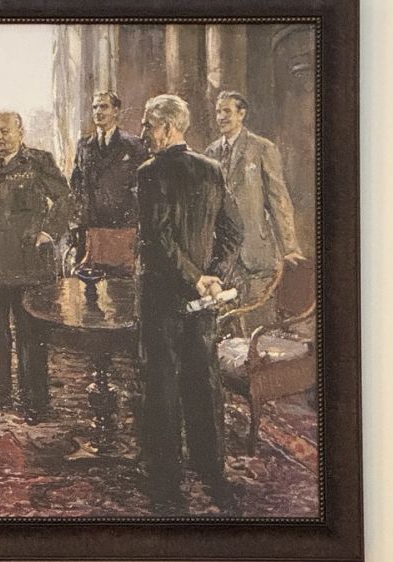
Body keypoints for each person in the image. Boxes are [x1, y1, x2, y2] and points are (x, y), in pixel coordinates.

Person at [136, 94, 243, 511]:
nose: (144, 133)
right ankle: (210, 467)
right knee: (203, 377)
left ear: (167, 128)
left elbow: (158, 240)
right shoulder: (211, 169)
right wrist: (211, 277)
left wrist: (196, 279)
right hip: (203, 299)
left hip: (162, 295)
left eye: (148, 125)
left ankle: (165, 478)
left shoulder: (150, 172)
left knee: (161, 381)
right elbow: (233, 232)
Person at [0, 110, 73, 425]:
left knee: (30, 335)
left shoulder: (38, 161)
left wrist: (49, 232)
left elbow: (66, 199)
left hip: (27, 265)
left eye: (5, 131)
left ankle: (34, 400)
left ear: (21, 132)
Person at [205, 91, 304, 334]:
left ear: (241, 114)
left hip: (255, 251)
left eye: (227, 111)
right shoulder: (210, 153)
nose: (221, 117)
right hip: (223, 256)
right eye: (218, 112)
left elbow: (279, 200)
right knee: (226, 327)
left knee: (258, 325)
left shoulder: (261, 148)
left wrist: (289, 247)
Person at [69, 91, 149, 272]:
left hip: (122, 230)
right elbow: (76, 186)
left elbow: (142, 188)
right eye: (95, 107)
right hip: (91, 229)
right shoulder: (84, 145)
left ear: (116, 111)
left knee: (120, 283)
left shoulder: (133, 145)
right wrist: (76, 223)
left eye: (104, 107)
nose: (98, 112)